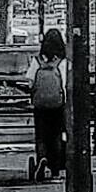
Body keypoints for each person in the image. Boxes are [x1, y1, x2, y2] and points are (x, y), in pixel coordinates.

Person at [27, 28, 66, 182]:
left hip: (40, 106)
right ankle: (56, 168)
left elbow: (30, 82)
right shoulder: (63, 61)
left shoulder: (37, 61)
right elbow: (67, 84)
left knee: (41, 135)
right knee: (57, 135)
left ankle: (42, 158)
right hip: (58, 105)